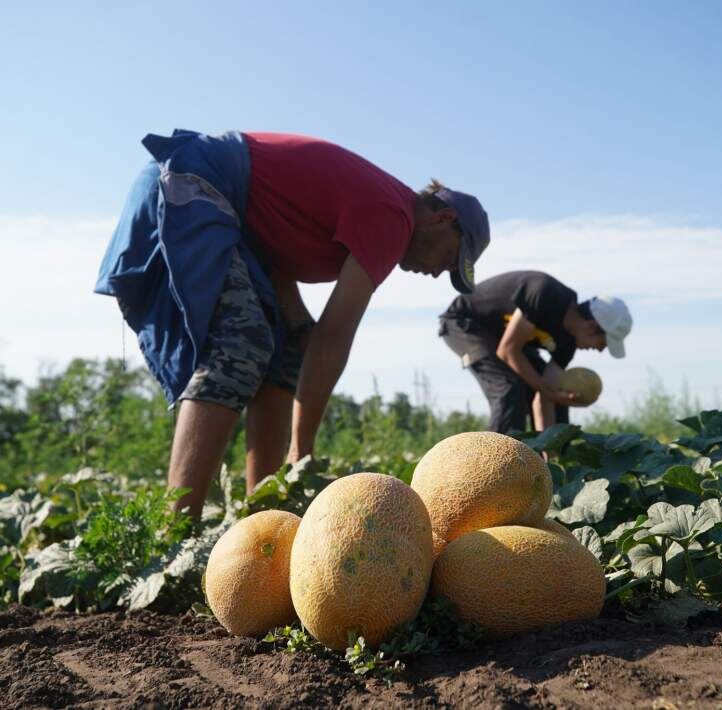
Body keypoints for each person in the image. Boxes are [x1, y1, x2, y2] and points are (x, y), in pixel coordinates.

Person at [94, 129, 490, 517]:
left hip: (227, 213)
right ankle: (174, 529)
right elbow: (333, 338)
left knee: (284, 357)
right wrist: (302, 448)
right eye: (451, 259)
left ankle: (262, 520)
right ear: (443, 219)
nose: (440, 273)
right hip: (192, 181)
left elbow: (272, 246)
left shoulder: (386, 209)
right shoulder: (394, 217)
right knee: (240, 346)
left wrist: (298, 324)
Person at [438, 271, 632, 434]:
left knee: (558, 391)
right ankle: (498, 467)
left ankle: (551, 465)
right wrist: (547, 391)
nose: (599, 350)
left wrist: (549, 452)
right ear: (591, 326)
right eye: (603, 343)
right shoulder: (547, 293)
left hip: (506, 339)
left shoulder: (567, 344)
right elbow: (507, 351)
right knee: (509, 388)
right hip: (466, 324)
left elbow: (547, 394)